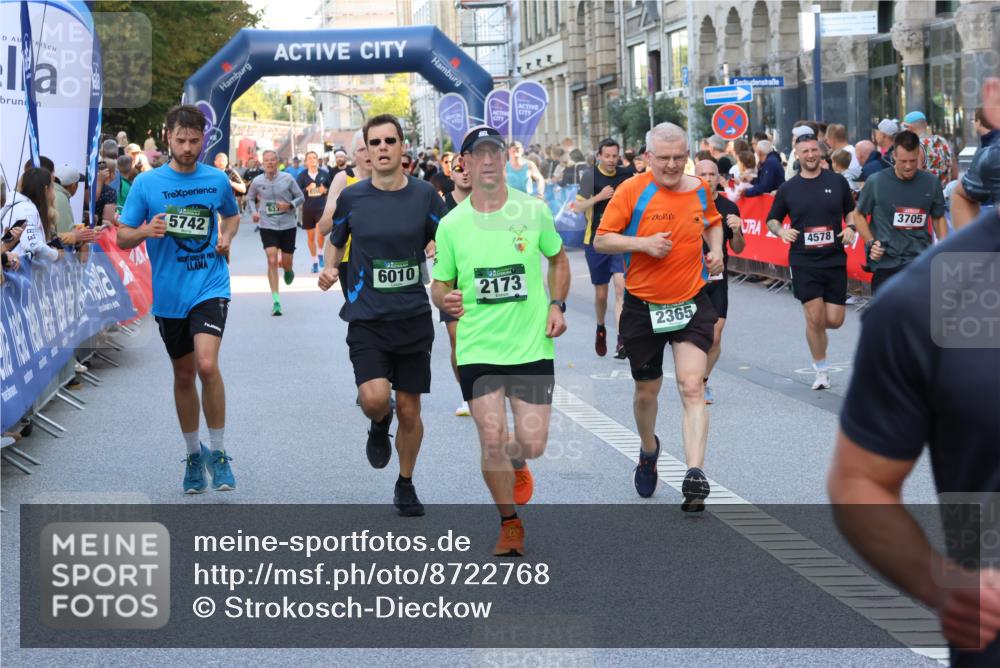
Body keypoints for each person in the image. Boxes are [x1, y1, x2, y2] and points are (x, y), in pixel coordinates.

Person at [828, 84, 1000, 668]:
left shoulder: (931, 189)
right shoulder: (925, 305)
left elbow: (942, 214)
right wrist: (941, 584)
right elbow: (860, 481)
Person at [432, 125, 569, 555]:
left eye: (495, 152)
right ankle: (509, 523)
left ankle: (519, 459)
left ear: (505, 159)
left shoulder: (533, 210)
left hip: (530, 345)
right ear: (465, 164)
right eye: (480, 154)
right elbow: (440, 284)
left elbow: (558, 260)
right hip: (477, 346)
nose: (489, 160)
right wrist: (444, 298)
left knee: (532, 443)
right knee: (491, 437)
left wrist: (557, 304)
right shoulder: (451, 225)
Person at [317, 114, 446, 517]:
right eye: (376, 142)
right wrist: (329, 267)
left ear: (402, 147)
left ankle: (405, 483)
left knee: (410, 408)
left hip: (412, 316)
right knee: (375, 399)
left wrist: (439, 252)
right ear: (367, 152)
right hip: (367, 316)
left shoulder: (425, 195)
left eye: (391, 140)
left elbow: (449, 237)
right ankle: (378, 421)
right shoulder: (353, 197)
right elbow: (335, 238)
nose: (383, 148)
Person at [594, 123, 724, 511]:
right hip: (643, 306)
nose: (671, 165)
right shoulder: (631, 190)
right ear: (648, 157)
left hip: (690, 301)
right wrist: (642, 244)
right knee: (646, 392)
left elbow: (713, 222)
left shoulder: (699, 189)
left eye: (679, 157)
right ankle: (649, 449)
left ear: (688, 156)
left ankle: (694, 474)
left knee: (692, 385)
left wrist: (716, 250)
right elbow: (602, 239)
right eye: (663, 158)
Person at [116, 104, 240, 494]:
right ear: (168, 137)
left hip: (210, 285)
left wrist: (226, 236)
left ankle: (219, 453)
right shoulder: (147, 184)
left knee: (206, 364)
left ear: (204, 140)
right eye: (181, 140)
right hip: (170, 295)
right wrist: (145, 231)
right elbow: (122, 236)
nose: (188, 148)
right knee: (184, 375)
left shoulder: (216, 179)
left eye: (194, 141)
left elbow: (232, 215)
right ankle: (193, 455)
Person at [766, 131, 857, 390]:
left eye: (814, 150)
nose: (810, 155)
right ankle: (821, 370)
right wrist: (781, 231)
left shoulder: (837, 181)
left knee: (835, 320)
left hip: (834, 258)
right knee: (815, 318)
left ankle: (816, 329)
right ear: (797, 155)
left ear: (821, 151)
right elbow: (772, 219)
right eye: (805, 151)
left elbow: (851, 211)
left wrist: (851, 228)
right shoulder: (789, 188)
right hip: (803, 260)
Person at [850, 130, 947, 294]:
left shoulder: (931, 182)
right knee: (887, 311)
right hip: (886, 264)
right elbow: (858, 214)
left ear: (918, 155)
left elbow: (938, 217)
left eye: (913, 161)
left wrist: (944, 248)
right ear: (893, 155)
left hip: (919, 262)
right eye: (903, 161)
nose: (908, 166)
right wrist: (871, 242)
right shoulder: (876, 181)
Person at [693, 159, 744, 405]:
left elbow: (738, 248)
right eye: (702, 174)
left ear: (718, 177)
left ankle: (702, 381)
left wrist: (737, 231)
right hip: (688, 279)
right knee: (691, 336)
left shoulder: (729, 207)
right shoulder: (685, 203)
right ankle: (690, 378)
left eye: (712, 174)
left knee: (715, 335)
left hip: (717, 278)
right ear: (695, 177)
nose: (708, 178)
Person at [574, 138, 630, 358]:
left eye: (615, 156)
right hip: (595, 241)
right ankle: (600, 327)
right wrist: (599, 197)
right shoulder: (590, 177)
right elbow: (577, 207)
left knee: (621, 288)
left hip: (619, 239)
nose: (611, 160)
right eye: (607, 156)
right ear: (599, 156)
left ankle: (621, 339)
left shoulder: (625, 174)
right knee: (601, 295)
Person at [246, 150, 304, 315]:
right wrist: (254, 212)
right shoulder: (257, 181)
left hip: (287, 225)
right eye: (266, 160)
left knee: (286, 263)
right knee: (271, 260)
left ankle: (288, 270)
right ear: (262, 163)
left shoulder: (288, 178)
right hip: (267, 225)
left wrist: (289, 205)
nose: (270, 163)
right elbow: (250, 198)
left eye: (272, 160)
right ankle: (276, 300)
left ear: (277, 162)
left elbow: (301, 197)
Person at [318, 130, 372, 302]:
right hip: (350, 258)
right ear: (353, 155)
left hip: (384, 256)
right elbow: (324, 227)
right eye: (362, 150)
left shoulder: (390, 179)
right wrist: (347, 201)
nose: (368, 153)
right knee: (359, 310)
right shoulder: (343, 179)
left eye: (371, 147)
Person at [0, 168, 60, 263]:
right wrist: (55, 254)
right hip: (16, 269)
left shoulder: (21, 205)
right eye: (52, 186)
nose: (54, 192)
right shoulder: (27, 209)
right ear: (45, 189)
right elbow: (32, 244)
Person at [296, 150, 332, 273]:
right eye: (310, 158)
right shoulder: (301, 176)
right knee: (311, 237)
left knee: (320, 232)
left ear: (317, 160)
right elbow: (297, 192)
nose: (312, 160)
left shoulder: (324, 174)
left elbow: (331, 189)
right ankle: (314, 261)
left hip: (321, 208)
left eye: (314, 157)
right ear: (306, 162)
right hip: (307, 209)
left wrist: (325, 190)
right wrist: (307, 189)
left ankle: (320, 253)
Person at [902, 110, 954, 188]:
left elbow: (916, 179)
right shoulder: (943, 141)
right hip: (946, 192)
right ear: (926, 124)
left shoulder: (916, 146)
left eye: (904, 128)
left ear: (909, 128)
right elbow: (954, 172)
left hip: (928, 194)